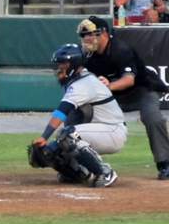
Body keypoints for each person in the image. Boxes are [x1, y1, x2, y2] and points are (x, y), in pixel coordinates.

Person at [76, 15, 169, 180]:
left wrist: (109, 86)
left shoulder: (120, 49)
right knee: (78, 111)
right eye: (84, 35)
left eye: (91, 34)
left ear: (103, 35)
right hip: (109, 96)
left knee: (152, 117)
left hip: (140, 90)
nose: (87, 38)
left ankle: (165, 163)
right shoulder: (85, 55)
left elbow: (129, 79)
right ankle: (79, 163)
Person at [31, 44, 126, 188]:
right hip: (101, 130)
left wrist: (44, 136)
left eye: (63, 63)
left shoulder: (84, 83)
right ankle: (78, 172)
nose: (60, 67)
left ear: (74, 63)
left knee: (68, 136)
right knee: (52, 151)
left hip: (113, 131)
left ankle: (105, 172)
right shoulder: (77, 81)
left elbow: (62, 111)